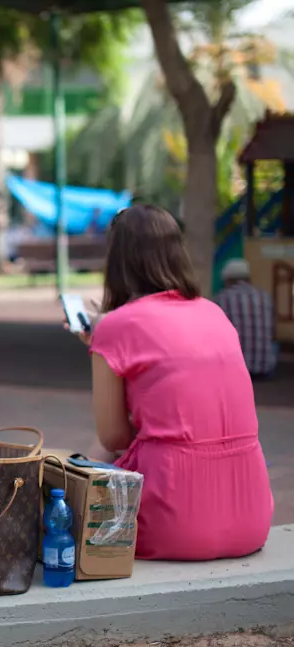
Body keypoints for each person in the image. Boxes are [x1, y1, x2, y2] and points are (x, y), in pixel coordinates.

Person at [72, 204, 273, 562]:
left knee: (79, 465)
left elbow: (114, 438)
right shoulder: (214, 312)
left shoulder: (115, 327)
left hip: (175, 524)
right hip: (251, 518)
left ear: (118, 261)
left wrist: (102, 340)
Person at [214, 258, 278, 379]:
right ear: (248, 278)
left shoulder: (220, 299)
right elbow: (274, 333)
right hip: (265, 370)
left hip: (235, 371)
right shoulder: (265, 297)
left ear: (227, 280)